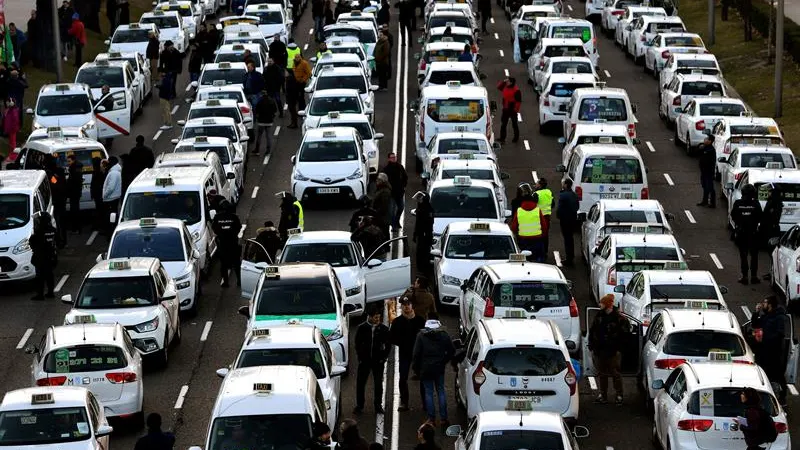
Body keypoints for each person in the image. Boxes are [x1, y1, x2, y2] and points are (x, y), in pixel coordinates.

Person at [412, 312, 454, 427]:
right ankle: (444, 418)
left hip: (425, 368)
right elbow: (451, 351)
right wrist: (444, 361)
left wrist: (416, 368)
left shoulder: (421, 335)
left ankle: (431, 419)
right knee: (441, 391)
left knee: (428, 393)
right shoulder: (443, 334)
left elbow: (416, 354)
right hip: (439, 367)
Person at [588, 294, 630, 405]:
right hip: (600, 350)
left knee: (615, 373)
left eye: (602, 303)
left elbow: (625, 335)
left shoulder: (619, 318)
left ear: (607, 304)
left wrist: (619, 349)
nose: (599, 305)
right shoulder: (599, 316)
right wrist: (592, 345)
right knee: (602, 374)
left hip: (613, 351)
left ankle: (619, 395)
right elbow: (592, 332)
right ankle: (603, 395)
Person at [390, 298, 426, 411]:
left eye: (408, 304)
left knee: (423, 378)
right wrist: (402, 342)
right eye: (404, 305)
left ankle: (426, 403)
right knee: (403, 377)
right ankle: (404, 402)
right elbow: (391, 337)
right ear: (401, 307)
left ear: (412, 306)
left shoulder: (420, 321)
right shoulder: (397, 322)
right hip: (404, 353)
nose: (406, 307)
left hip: (419, 354)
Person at [751, 295, 788, 405]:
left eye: (765, 303)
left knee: (778, 375)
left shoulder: (779, 317)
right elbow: (755, 324)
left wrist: (765, 337)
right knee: (762, 374)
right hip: (763, 352)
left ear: (770, 305)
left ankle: (782, 397)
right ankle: (762, 396)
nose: (763, 305)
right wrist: (756, 312)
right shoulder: (766, 316)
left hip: (774, 353)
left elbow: (780, 334)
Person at [354, 306, 391, 414]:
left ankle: (378, 405)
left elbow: (388, 345)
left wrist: (383, 358)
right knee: (361, 383)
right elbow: (357, 343)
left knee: (378, 384)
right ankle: (359, 405)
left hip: (378, 361)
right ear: (369, 317)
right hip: (364, 361)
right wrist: (360, 357)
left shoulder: (384, 329)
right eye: (375, 318)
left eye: (378, 317)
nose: (377, 320)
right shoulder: (362, 328)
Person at [731, 183, 762, 284]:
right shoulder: (756, 204)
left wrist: (740, 223)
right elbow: (759, 216)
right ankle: (753, 276)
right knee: (754, 256)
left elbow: (733, 215)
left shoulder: (738, 203)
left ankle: (744, 277)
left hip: (741, 233)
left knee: (743, 256)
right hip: (753, 233)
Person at [212, 200, 243, 287]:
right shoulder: (234, 217)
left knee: (224, 265)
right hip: (233, 243)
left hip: (222, 244)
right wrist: (233, 233)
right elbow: (239, 227)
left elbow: (214, 228)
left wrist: (221, 234)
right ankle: (239, 281)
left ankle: (226, 282)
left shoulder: (217, 217)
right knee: (237, 264)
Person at [509, 192, 548, 262]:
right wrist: (542, 236)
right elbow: (544, 226)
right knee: (538, 258)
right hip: (537, 239)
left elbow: (513, 227)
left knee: (523, 259)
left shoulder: (519, 210)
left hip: (523, 240)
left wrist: (517, 235)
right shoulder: (537, 210)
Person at [30, 212, 57, 301]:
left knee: (40, 277)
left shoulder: (39, 232)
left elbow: (32, 242)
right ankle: (50, 292)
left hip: (41, 258)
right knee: (50, 275)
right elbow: (58, 241)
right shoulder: (53, 230)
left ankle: (40, 295)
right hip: (51, 256)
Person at [382, 153, 408, 231]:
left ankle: (396, 221)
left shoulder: (400, 167)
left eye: (395, 157)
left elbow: (405, 177)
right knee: (392, 210)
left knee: (401, 207)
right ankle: (393, 225)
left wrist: (403, 186)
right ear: (389, 159)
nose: (394, 159)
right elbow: (384, 181)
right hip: (391, 193)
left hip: (399, 192)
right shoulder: (386, 169)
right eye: (392, 157)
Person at [556, 179, 579, 266]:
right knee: (570, 238)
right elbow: (576, 207)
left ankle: (569, 258)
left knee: (567, 239)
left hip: (565, 220)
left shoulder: (563, 195)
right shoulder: (574, 195)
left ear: (565, 185)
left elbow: (560, 208)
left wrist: (559, 215)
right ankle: (571, 256)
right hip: (572, 219)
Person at [46, 158, 68, 247]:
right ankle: (63, 240)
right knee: (62, 222)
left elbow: (54, 184)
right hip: (62, 199)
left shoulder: (51, 174)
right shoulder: (60, 171)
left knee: (57, 222)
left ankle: (60, 240)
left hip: (56, 200)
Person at [413, 191, 434, 270]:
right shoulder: (420, 207)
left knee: (424, 251)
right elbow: (417, 223)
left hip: (425, 235)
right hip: (420, 234)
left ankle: (424, 267)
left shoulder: (428, 209)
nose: (418, 200)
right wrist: (415, 234)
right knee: (419, 251)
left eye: (420, 198)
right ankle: (420, 267)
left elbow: (429, 223)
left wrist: (425, 233)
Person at [497, 77, 521, 143]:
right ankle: (502, 138)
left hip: (512, 110)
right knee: (503, 124)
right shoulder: (505, 86)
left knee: (514, 124)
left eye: (508, 81)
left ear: (511, 82)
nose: (506, 82)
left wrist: (515, 110)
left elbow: (518, 102)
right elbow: (499, 87)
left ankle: (516, 138)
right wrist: (503, 81)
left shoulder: (516, 90)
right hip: (505, 109)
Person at [102, 156, 122, 235]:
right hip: (114, 197)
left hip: (111, 198)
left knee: (110, 217)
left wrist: (105, 195)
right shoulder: (115, 171)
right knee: (113, 216)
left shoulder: (113, 173)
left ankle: (110, 232)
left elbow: (111, 187)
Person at [534, 178, 554, 256]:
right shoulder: (549, 192)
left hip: (538, 217)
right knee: (545, 235)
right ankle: (545, 251)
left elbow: (533, 205)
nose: (535, 185)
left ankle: (539, 251)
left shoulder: (536, 194)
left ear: (540, 185)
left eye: (537, 183)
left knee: (537, 234)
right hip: (547, 216)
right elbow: (553, 204)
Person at [697, 134, 717, 208]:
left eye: (707, 139)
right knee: (704, 186)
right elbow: (698, 152)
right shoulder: (704, 147)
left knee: (710, 188)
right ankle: (704, 201)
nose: (705, 140)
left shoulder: (711, 150)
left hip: (708, 172)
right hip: (703, 171)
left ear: (710, 141)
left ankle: (712, 203)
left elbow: (710, 162)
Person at [372, 173, 393, 239]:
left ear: (382, 181)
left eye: (378, 179)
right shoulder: (380, 188)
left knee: (384, 233)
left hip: (383, 218)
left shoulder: (385, 191)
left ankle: (386, 246)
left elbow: (384, 206)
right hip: (381, 217)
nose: (376, 181)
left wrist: (376, 213)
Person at [66, 155, 84, 234]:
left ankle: (76, 228)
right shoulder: (76, 168)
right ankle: (76, 228)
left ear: (73, 160)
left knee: (75, 211)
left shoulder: (75, 170)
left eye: (69, 161)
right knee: (75, 210)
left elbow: (74, 182)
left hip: (74, 193)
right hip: (75, 193)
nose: (68, 163)